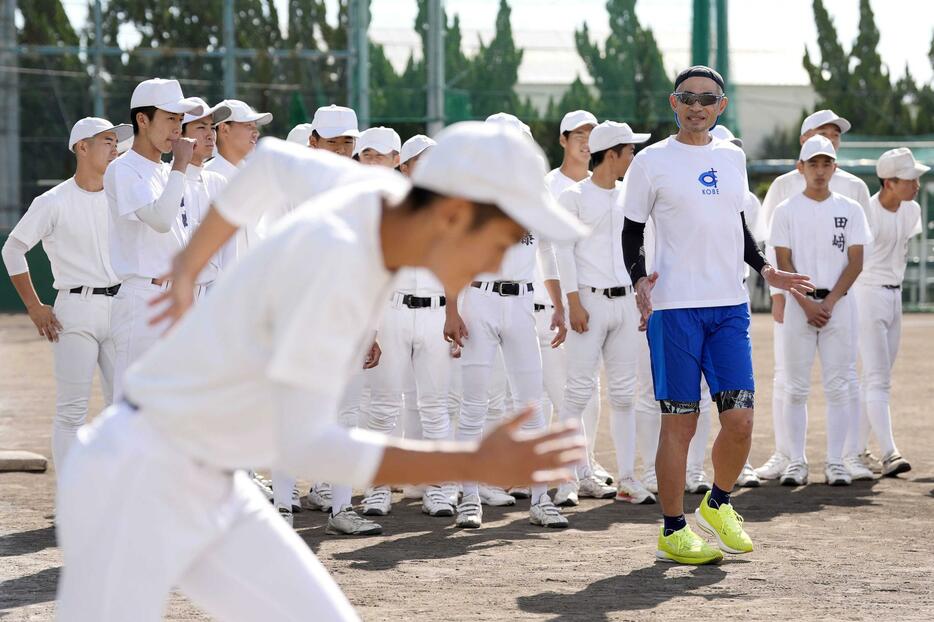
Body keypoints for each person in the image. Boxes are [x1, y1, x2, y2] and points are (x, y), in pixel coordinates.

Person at [55, 121, 586, 622]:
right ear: (451, 215)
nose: (497, 262)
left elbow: (270, 164)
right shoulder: (339, 264)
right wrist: (475, 460)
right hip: (135, 477)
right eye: (499, 241)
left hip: (214, 482)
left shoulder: (377, 195)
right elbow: (305, 445)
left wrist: (190, 264)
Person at [621, 66, 812, 565]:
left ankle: (719, 501)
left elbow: (740, 226)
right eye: (688, 98)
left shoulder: (732, 157)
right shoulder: (650, 162)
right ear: (674, 103)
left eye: (707, 99)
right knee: (680, 425)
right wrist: (639, 279)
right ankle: (672, 528)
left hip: (730, 307)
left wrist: (766, 269)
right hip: (675, 309)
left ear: (721, 105)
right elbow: (631, 231)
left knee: (741, 420)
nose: (697, 106)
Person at [444, 112, 570, 528]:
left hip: (520, 303)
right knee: (474, 403)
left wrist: (558, 303)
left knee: (531, 401)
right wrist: (451, 308)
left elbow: (547, 252)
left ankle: (539, 498)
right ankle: (469, 496)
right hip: (479, 300)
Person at [1, 117, 131, 473]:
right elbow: (12, 249)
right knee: (72, 410)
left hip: (122, 306)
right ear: (82, 147)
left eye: (115, 141)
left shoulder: (123, 197)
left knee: (123, 408)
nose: (115, 147)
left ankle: (115, 493)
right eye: (106, 140)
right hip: (75, 308)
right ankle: (72, 502)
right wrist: (33, 305)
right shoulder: (53, 200)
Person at [755, 109, 873, 483]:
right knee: (795, 384)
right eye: (813, 163)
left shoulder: (850, 208)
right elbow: (782, 258)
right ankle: (796, 461)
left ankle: (837, 461)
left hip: (838, 304)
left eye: (827, 163)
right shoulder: (787, 209)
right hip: (798, 304)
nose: (820, 169)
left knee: (840, 383)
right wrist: (804, 301)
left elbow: (856, 260)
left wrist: (831, 301)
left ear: (835, 167)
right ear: (801, 165)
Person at [362, 134, 461, 518]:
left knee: (435, 405)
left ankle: (440, 488)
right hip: (391, 311)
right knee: (383, 405)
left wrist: (454, 312)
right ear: (403, 166)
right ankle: (378, 488)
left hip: (436, 312)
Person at [554, 120, 652, 505]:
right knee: (576, 392)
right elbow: (562, 251)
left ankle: (627, 478)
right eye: (629, 150)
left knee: (624, 394)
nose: (633, 156)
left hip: (626, 301)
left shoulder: (631, 196)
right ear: (612, 154)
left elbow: (644, 245)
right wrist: (573, 301)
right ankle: (565, 480)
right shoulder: (573, 198)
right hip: (590, 303)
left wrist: (643, 295)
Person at [104, 78, 204, 399]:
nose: (177, 128)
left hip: (176, 297)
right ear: (142, 120)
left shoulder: (165, 170)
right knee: (132, 407)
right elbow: (160, 220)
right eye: (169, 118)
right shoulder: (124, 169)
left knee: (173, 406)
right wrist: (181, 165)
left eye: (179, 119)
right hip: (142, 299)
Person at [542, 110, 612, 493]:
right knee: (562, 392)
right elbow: (548, 251)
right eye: (578, 134)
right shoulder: (548, 186)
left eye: (592, 134)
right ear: (563, 140)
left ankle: (585, 466)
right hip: (555, 305)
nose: (586, 141)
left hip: (593, 307)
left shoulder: (599, 188)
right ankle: (569, 474)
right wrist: (561, 303)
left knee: (590, 392)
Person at [853, 148, 927, 477]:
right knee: (877, 379)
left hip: (894, 298)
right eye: (910, 179)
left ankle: (855, 450)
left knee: (877, 379)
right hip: (866, 295)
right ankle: (889, 453)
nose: (917, 184)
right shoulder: (865, 212)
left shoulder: (911, 211)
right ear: (889, 182)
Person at [204, 98, 272, 270]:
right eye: (248, 126)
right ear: (224, 128)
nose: (256, 133)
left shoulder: (256, 177)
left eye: (255, 127)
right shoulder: (206, 178)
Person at [179, 98, 233, 293]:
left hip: (213, 292)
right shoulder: (166, 180)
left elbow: (228, 249)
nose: (210, 134)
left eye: (212, 127)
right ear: (179, 133)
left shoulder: (218, 182)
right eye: (201, 128)